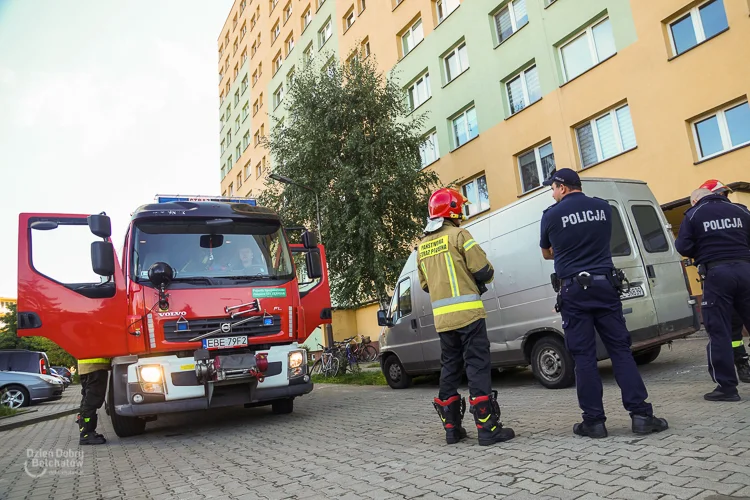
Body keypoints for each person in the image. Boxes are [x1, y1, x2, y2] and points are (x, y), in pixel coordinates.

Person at [540, 168, 668, 438]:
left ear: (562, 187)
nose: (552, 193)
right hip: (605, 285)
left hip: (573, 290)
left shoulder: (551, 215)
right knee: (621, 351)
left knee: (584, 357)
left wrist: (564, 250)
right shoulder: (603, 207)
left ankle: (594, 422)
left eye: (552, 188)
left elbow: (546, 253)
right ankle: (642, 416)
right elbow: (602, 240)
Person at [417, 187, 515, 446]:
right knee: (477, 366)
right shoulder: (460, 235)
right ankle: (487, 428)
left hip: (443, 321)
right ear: (452, 210)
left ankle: (452, 429)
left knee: (449, 368)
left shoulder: (422, 247)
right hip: (469, 316)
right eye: (459, 207)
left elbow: (426, 285)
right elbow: (483, 270)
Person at [675, 187, 750, 401]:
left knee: (719, 331)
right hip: (746, 271)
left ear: (696, 200)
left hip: (717, 274)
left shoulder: (695, 214)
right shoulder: (741, 210)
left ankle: (727, 388)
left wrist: (704, 251)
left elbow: (683, 246)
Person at [698, 179, 750, 383]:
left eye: (725, 194)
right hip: (731, 277)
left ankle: (732, 375)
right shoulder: (740, 213)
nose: (724, 198)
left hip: (729, 277)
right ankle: (741, 363)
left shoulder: (739, 211)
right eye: (721, 194)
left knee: (730, 325)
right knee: (732, 327)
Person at [75, 358, 110, 445]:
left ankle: (87, 431)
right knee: (92, 399)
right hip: (94, 365)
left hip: (88, 366)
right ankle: (86, 434)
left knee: (88, 399)